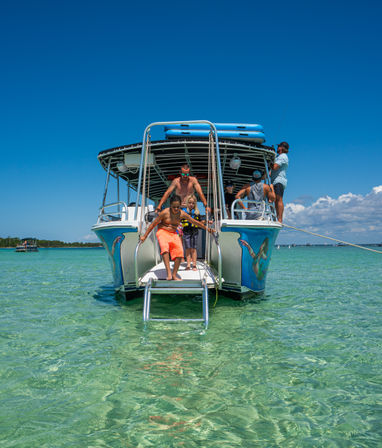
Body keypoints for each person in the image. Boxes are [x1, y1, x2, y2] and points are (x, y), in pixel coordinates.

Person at [140, 195, 214, 281]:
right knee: (164, 248)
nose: (175, 209)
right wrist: (144, 236)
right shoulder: (165, 212)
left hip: (173, 233)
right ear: (170, 205)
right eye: (173, 207)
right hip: (162, 232)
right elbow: (153, 224)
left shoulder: (182, 213)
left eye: (177, 207)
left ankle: (174, 275)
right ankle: (168, 273)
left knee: (180, 252)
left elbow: (195, 222)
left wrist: (207, 229)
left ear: (180, 206)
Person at [181, 194, 203, 271]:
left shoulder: (197, 212)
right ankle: (188, 265)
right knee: (187, 248)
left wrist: (207, 222)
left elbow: (200, 222)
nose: (191, 204)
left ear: (195, 204)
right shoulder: (183, 212)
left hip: (194, 231)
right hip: (186, 231)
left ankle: (194, 265)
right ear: (187, 203)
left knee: (193, 248)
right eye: (190, 203)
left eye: (193, 203)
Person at [271, 141, 289, 223]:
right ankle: (276, 217)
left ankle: (280, 219)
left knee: (278, 199)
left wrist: (270, 160)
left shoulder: (283, 156)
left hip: (279, 181)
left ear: (281, 148)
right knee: (274, 200)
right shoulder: (279, 157)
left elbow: (275, 167)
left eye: (278, 147)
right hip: (274, 181)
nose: (277, 148)